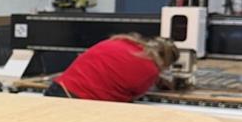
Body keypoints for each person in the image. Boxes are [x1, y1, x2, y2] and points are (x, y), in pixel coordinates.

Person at [44, 34, 179, 102]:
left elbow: (114, 69)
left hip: (57, 90)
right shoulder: (150, 70)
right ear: (166, 62)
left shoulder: (122, 41)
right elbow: (130, 96)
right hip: (78, 103)